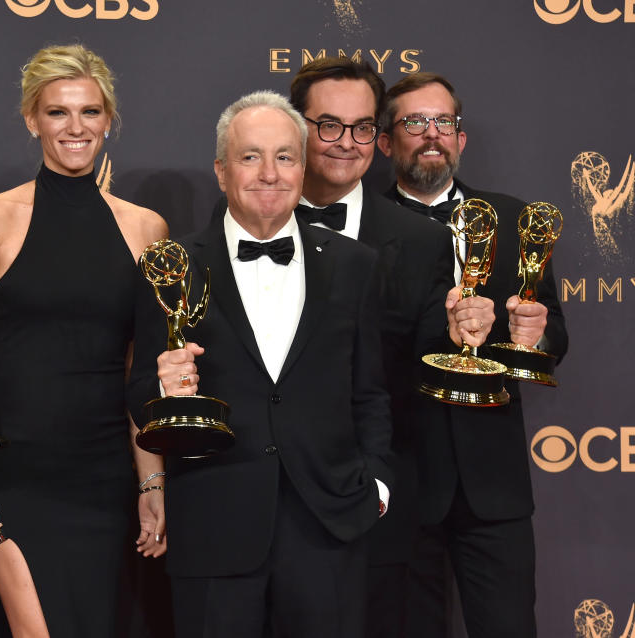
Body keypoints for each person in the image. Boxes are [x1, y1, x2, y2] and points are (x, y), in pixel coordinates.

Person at [129, 90, 393, 637]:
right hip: (213, 520)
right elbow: (137, 396)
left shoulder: (356, 265)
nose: (269, 174)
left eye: (285, 157)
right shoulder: (172, 266)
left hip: (329, 524)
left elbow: (370, 391)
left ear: (303, 168)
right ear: (222, 171)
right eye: (250, 157)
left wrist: (378, 485)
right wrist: (163, 386)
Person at [0, 44, 168, 637]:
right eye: (58, 112)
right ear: (32, 119)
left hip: (103, 472)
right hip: (13, 465)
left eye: (90, 112)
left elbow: (139, 373)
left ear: (108, 120)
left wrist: (150, 481)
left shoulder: (146, 229)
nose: (75, 127)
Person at [375, 72, 569, 638]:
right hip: (400, 480)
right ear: (386, 140)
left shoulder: (515, 219)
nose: (431, 134)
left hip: (495, 484)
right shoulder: (363, 228)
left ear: (461, 138)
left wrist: (536, 337)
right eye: (414, 122)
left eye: (444, 122)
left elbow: (556, 328)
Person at [281, 57, 458, 637]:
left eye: (361, 128)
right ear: (294, 127)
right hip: (272, 498)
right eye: (328, 125)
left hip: (381, 498)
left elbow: (430, 366)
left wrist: (469, 335)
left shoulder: (424, 239)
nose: (345, 143)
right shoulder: (243, 221)